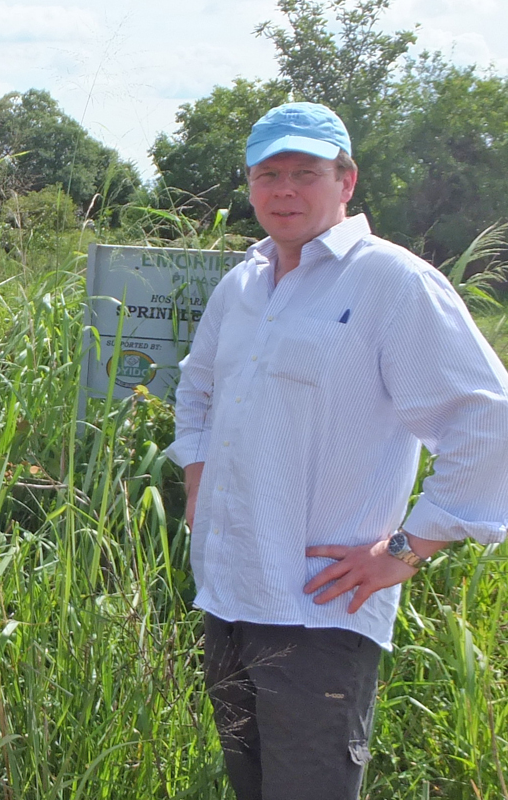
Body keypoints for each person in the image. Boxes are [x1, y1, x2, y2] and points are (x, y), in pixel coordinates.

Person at [167, 102, 508, 800]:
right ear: (251, 185)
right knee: (251, 783)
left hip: (320, 612)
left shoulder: (392, 283)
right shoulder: (243, 285)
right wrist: (197, 477)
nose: (284, 189)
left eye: (305, 173)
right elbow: (196, 389)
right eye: (269, 174)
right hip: (229, 596)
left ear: (346, 182)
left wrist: (410, 549)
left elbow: (487, 421)